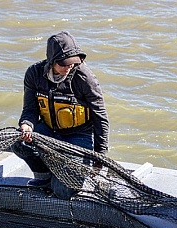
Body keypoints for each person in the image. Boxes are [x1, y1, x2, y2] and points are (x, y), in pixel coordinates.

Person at [12, 31, 109, 199]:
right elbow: (30, 110)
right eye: (64, 63)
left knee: (62, 191)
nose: (69, 66)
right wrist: (26, 125)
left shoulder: (85, 78)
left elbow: (100, 117)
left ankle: (67, 175)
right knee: (17, 142)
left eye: (73, 62)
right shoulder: (34, 74)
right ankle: (44, 176)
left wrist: (100, 156)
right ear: (52, 61)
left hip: (79, 135)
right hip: (49, 130)